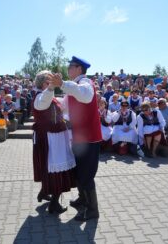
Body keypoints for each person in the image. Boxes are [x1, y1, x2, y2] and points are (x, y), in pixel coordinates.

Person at [50, 56, 102, 221]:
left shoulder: (86, 83)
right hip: (79, 139)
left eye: (71, 66)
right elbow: (62, 105)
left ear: (79, 68)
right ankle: (83, 199)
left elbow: (85, 96)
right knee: (79, 173)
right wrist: (46, 94)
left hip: (89, 139)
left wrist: (63, 84)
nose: (68, 69)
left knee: (86, 176)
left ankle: (92, 210)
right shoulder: (74, 87)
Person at [32, 70, 76, 214]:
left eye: (51, 81)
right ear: (41, 84)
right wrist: (51, 87)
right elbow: (44, 103)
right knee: (54, 169)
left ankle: (45, 192)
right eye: (47, 82)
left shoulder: (51, 97)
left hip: (56, 137)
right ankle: (54, 204)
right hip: (50, 138)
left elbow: (62, 108)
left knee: (51, 168)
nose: (50, 84)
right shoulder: (40, 97)